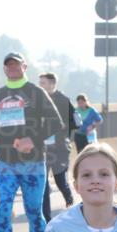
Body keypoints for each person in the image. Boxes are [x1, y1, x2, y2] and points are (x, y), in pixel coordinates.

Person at [0, 52, 64, 232]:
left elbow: (56, 123)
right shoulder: (1, 94)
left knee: (34, 212)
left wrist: (34, 139)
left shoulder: (35, 92)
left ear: (24, 66)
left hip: (32, 163)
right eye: (8, 65)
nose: (12, 68)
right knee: (0, 212)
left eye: (15, 65)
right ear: (4, 69)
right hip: (6, 162)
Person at [38, 72, 76, 220]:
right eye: (39, 83)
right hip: (43, 148)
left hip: (60, 147)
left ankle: (70, 201)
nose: (40, 85)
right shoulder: (37, 100)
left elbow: (75, 122)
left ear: (53, 84)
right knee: (44, 183)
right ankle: (46, 217)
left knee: (60, 181)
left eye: (44, 83)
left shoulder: (63, 100)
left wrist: (61, 131)